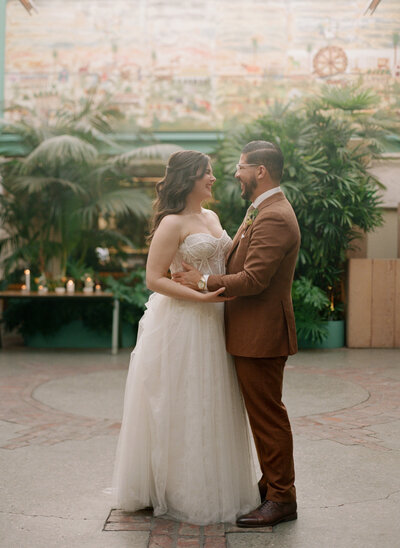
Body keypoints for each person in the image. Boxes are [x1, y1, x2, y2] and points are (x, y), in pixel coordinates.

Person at [112, 150, 260, 525]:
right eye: (206, 173)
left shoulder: (211, 216)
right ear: (188, 179)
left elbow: (224, 260)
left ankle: (215, 482)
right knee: (184, 401)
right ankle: (180, 488)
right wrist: (200, 296)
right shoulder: (171, 223)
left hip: (216, 318)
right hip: (183, 322)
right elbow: (154, 278)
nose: (213, 178)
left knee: (214, 398)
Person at [172, 141, 301, 528]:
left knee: (267, 417)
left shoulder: (274, 215)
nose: (234, 173)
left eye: (241, 167)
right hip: (250, 330)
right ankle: (271, 485)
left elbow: (255, 279)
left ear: (260, 171)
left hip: (261, 333)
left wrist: (203, 279)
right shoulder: (261, 209)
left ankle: (282, 497)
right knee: (264, 414)